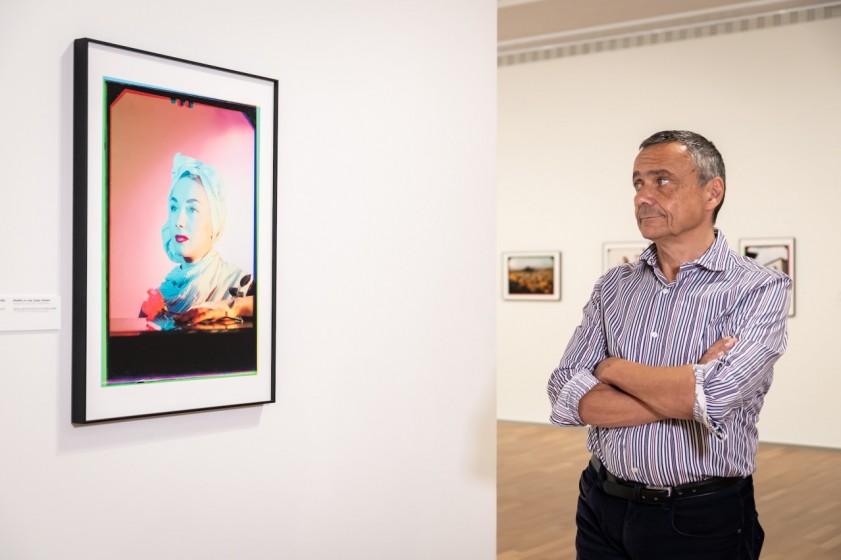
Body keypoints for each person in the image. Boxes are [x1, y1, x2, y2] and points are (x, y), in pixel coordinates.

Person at [547, 130, 791, 559]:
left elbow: (713, 398)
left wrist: (610, 370)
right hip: (601, 506)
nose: (644, 196)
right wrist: (684, 387)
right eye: (638, 183)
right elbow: (565, 393)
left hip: (700, 519)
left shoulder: (760, 288)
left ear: (712, 191)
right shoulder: (613, 287)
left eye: (662, 180)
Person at [141, 153, 254, 326]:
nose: (179, 222)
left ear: (214, 220)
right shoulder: (160, 296)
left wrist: (228, 307)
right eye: (174, 207)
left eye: (192, 209)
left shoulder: (238, 283)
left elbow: (275, 306)